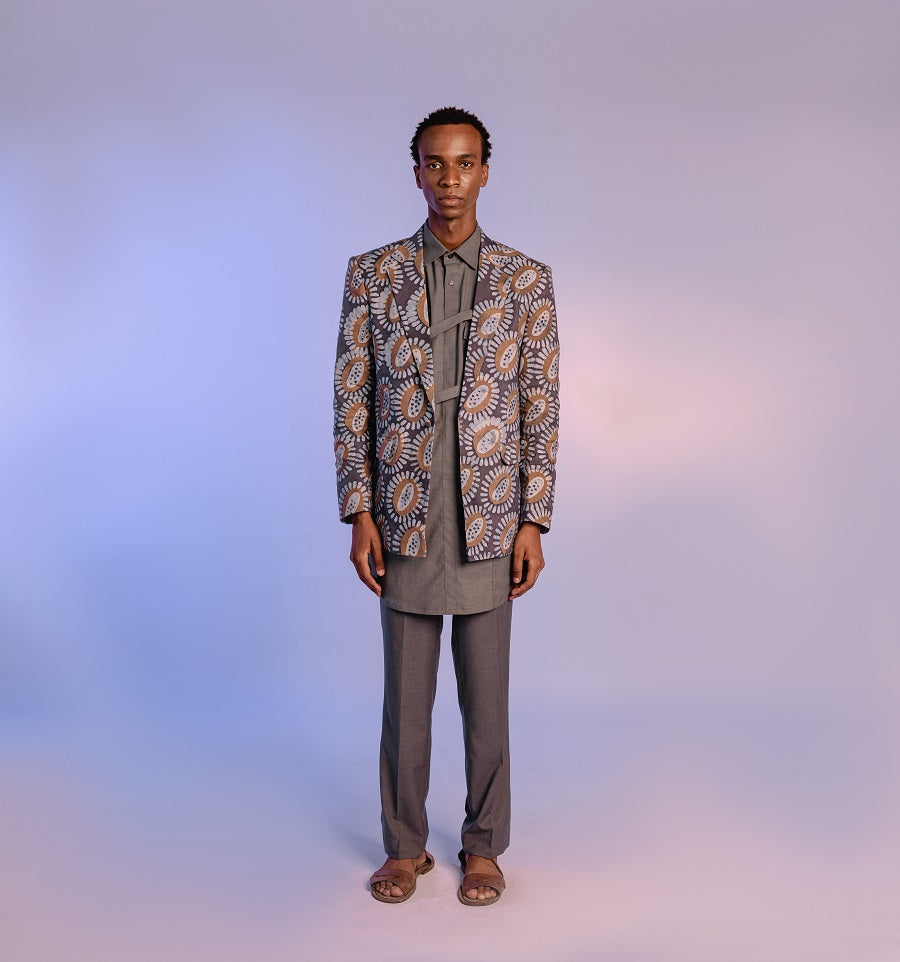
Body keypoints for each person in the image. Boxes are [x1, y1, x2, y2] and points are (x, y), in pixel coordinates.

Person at [332, 106, 560, 906]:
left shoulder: (526, 280)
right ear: (416, 172)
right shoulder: (374, 274)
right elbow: (352, 399)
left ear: (485, 173)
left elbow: (541, 405)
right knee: (406, 700)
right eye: (435, 164)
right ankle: (405, 847)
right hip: (404, 512)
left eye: (464, 164)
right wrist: (359, 510)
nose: (449, 180)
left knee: (486, 700)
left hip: (491, 513)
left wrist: (534, 519)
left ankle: (483, 845)